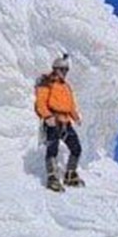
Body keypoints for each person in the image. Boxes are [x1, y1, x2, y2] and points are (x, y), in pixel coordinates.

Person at [34, 54, 85, 191]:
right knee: (53, 150)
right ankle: (52, 178)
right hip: (53, 121)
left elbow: (70, 105)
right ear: (55, 69)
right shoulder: (46, 83)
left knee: (76, 148)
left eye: (66, 70)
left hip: (66, 122)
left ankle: (70, 174)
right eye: (62, 69)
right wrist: (47, 116)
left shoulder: (66, 86)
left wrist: (75, 117)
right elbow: (40, 103)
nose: (64, 73)